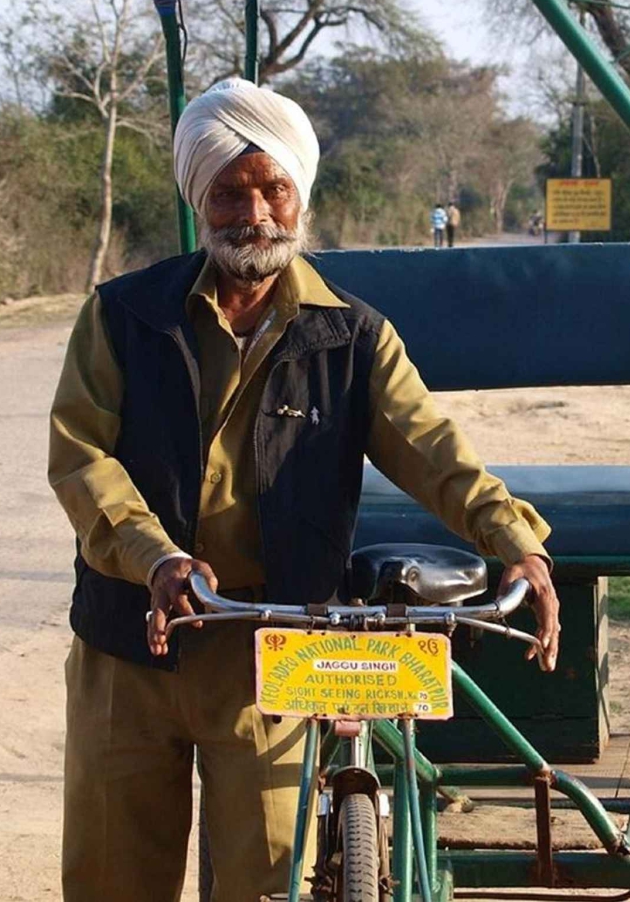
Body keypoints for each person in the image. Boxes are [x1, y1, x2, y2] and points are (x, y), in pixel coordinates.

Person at [49, 77, 561, 902]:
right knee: (111, 879)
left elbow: (433, 449)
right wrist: (157, 557)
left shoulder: (353, 335)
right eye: (229, 191)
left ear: (299, 196)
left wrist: (515, 540)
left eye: (272, 187)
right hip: (129, 641)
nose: (253, 211)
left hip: (273, 643)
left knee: (266, 883)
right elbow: (80, 458)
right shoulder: (121, 316)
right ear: (199, 199)